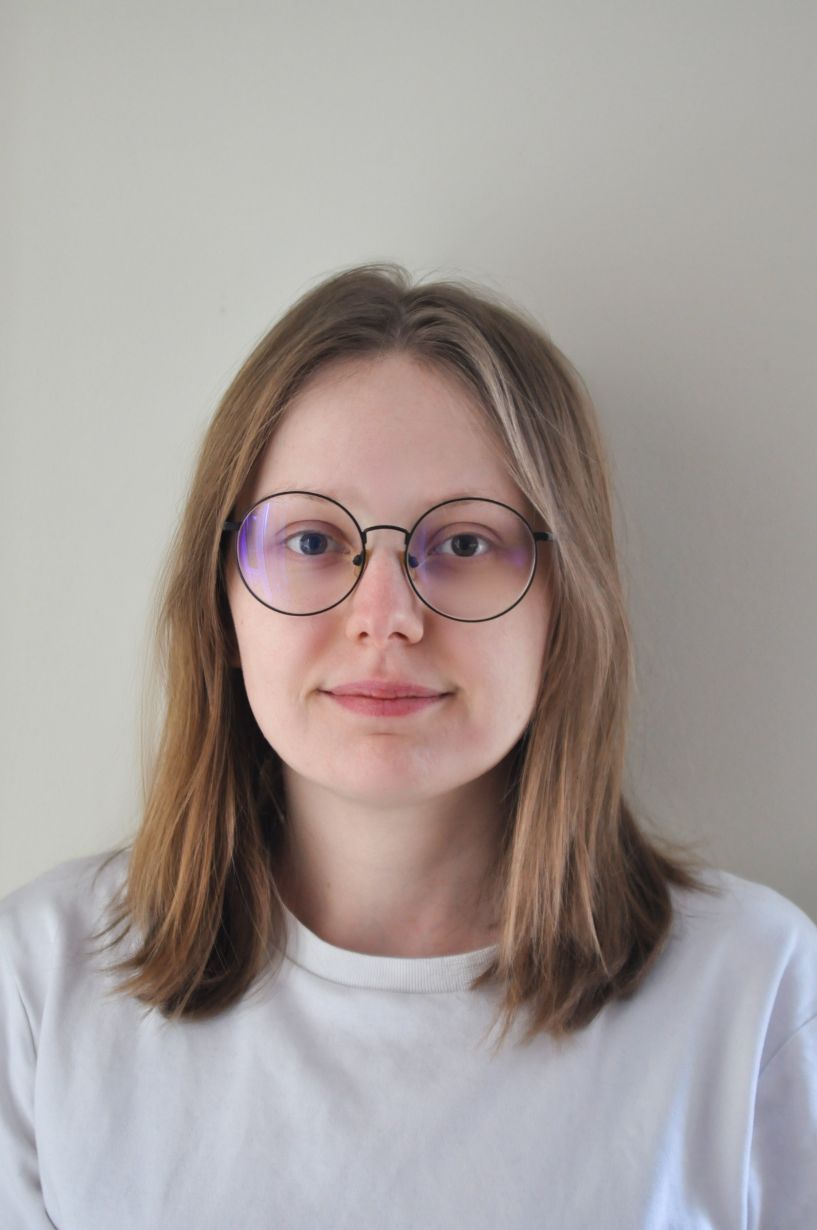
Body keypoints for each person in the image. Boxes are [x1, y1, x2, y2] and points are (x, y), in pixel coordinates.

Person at [1, 264, 815, 1228]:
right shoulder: (42, 987)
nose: (384, 617)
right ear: (220, 600)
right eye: (311, 542)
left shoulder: (752, 994)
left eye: (464, 544)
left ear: (569, 607)